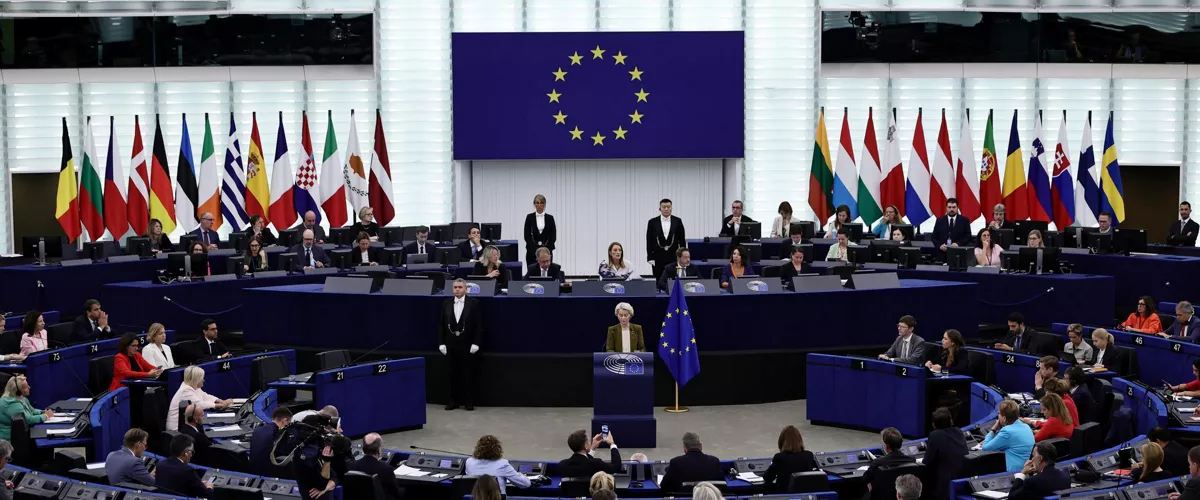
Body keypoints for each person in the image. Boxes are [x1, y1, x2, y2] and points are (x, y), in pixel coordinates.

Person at [440, 279, 483, 411]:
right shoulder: (446, 303)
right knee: (452, 374)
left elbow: (479, 326)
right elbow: (441, 325)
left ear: (465, 289)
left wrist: (476, 343)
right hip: (451, 344)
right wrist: (441, 343)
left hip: (467, 344)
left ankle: (468, 401)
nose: (457, 289)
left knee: (467, 374)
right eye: (455, 287)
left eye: (460, 287)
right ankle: (452, 401)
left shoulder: (474, 303)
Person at [167, 366, 232, 431]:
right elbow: (200, 405)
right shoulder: (185, 390)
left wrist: (220, 401)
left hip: (186, 424)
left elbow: (205, 396)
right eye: (201, 378)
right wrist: (221, 405)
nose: (203, 380)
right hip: (176, 428)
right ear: (196, 379)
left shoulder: (192, 386)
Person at [923, 408, 968, 500]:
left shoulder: (935, 435)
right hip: (962, 480)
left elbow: (927, 461)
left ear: (934, 425)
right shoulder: (958, 431)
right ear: (951, 421)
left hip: (944, 485)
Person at [464, 434, 530, 494]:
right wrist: (521, 475)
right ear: (497, 449)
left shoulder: (469, 462)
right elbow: (525, 484)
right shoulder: (502, 464)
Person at [660, 432, 724, 493]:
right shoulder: (714, 461)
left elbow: (664, 486)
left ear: (684, 448)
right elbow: (722, 485)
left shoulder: (675, 463)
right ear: (701, 446)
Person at [982, 400, 1036, 472]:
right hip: (1027, 470)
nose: (998, 416)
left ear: (1004, 418)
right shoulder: (1026, 426)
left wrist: (993, 429)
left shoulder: (1007, 432)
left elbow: (985, 448)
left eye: (999, 414)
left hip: (1016, 474)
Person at [292, 414, 338, 500]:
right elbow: (321, 485)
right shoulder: (304, 457)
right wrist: (327, 462)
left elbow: (334, 477)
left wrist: (326, 488)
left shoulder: (318, 451)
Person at [762, 425, 818, 494]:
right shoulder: (809, 455)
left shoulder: (779, 457)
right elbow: (816, 474)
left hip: (784, 496)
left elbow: (767, 477)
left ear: (782, 441)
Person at [156, 433, 214, 498]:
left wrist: (199, 484)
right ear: (186, 453)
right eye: (192, 452)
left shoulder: (160, 465)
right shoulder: (188, 470)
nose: (191, 455)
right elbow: (206, 494)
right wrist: (209, 487)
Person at [348, 433, 404, 500]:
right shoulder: (386, 469)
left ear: (363, 448)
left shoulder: (351, 466)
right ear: (379, 448)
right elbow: (396, 492)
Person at [863, 427, 916, 492]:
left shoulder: (878, 463)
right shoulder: (912, 460)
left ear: (887, 446)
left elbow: (865, 479)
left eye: (883, 444)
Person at [0, 376, 51, 441]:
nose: (29, 387)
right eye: (26, 387)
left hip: (20, 435)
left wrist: (43, 412)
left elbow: (32, 410)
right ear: (18, 391)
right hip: (9, 441)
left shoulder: (21, 398)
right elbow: (27, 420)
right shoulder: (12, 403)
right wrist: (45, 416)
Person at [646, 198, 686, 280]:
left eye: (668, 207)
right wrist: (650, 257)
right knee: (659, 279)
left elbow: (682, 240)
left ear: (671, 208)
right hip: (657, 256)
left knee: (673, 279)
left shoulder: (677, 221)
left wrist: (682, 256)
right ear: (660, 208)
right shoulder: (652, 222)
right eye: (664, 207)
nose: (666, 209)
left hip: (673, 256)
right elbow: (649, 241)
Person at [557, 429, 621, 478]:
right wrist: (612, 444)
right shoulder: (596, 463)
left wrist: (592, 449)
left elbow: (583, 461)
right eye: (588, 442)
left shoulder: (562, 465)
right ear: (585, 445)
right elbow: (616, 467)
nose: (590, 443)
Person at [250, 406, 292, 476]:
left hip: (253, 470)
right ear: (284, 421)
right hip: (268, 472)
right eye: (289, 423)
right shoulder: (278, 433)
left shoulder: (257, 430)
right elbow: (284, 452)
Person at [524, 194, 557, 265]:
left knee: (547, 272)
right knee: (532, 272)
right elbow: (527, 235)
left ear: (544, 204)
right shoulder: (529, 217)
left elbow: (553, 235)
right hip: (532, 251)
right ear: (534, 204)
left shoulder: (550, 218)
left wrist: (545, 249)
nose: (539, 205)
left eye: (542, 203)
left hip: (547, 251)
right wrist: (535, 249)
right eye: (537, 203)